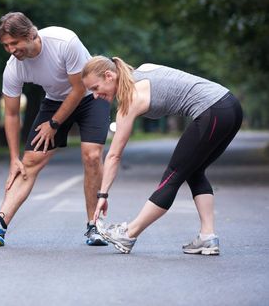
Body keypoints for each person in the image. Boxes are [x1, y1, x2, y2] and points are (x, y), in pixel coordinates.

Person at [0, 12, 111, 246]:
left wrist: (54, 124)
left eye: (15, 43)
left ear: (31, 34)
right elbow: (12, 114)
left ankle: (94, 226)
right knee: (30, 161)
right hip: (55, 100)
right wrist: (14, 157)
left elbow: (77, 90)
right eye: (6, 45)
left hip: (90, 96)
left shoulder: (65, 42)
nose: (11, 49)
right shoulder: (13, 68)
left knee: (92, 156)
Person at [81, 56, 243, 255]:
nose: (95, 96)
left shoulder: (131, 99)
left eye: (96, 88)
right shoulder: (144, 69)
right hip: (230, 105)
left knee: (172, 175)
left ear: (109, 76)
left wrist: (102, 195)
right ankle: (207, 237)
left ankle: (129, 234)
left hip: (213, 110)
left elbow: (114, 155)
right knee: (194, 171)